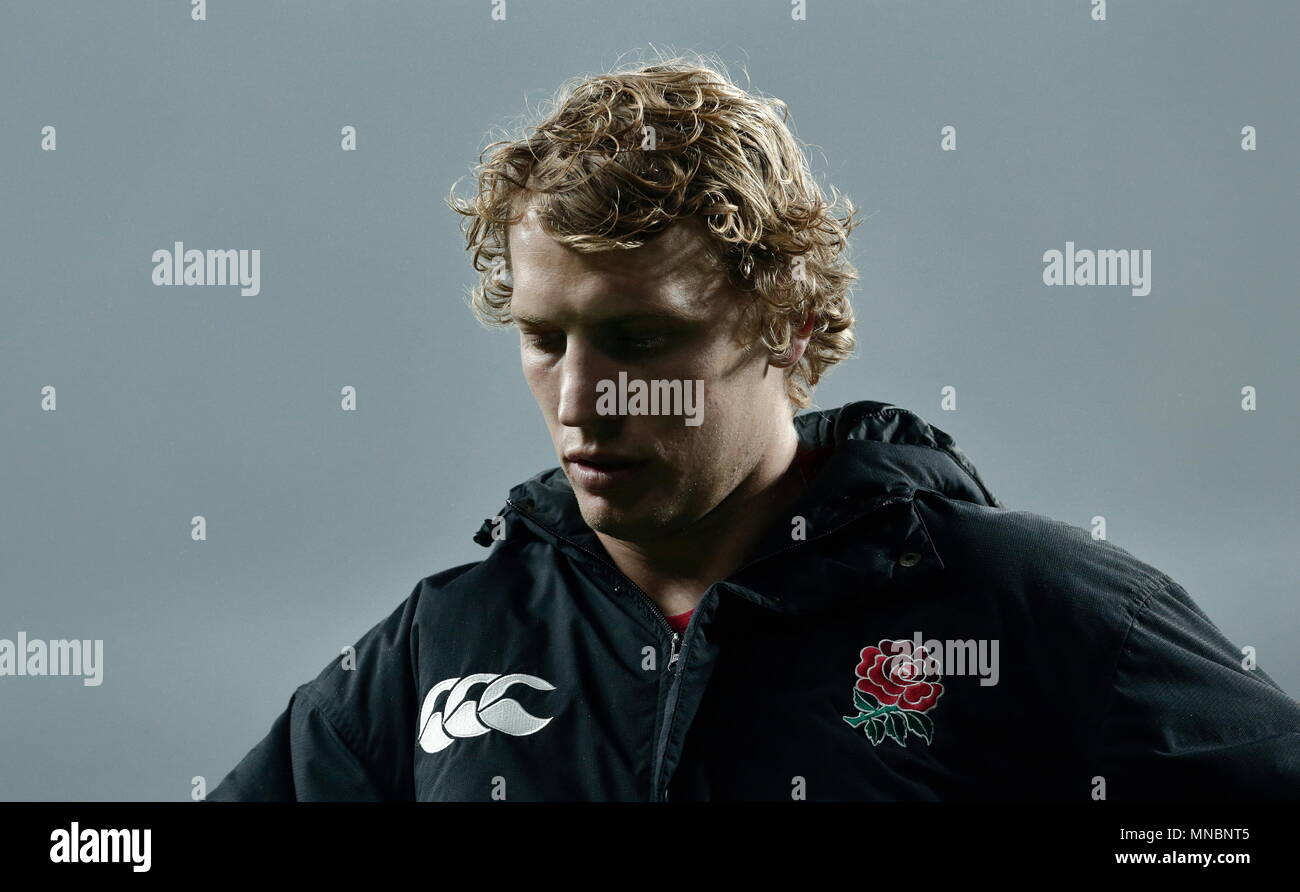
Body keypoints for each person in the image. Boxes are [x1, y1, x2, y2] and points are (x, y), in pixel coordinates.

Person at [208, 57, 1300, 802]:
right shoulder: (442, 645)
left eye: (639, 341)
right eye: (545, 339)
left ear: (791, 327)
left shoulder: (1045, 612)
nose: (582, 398)